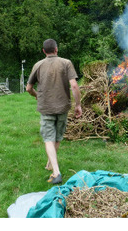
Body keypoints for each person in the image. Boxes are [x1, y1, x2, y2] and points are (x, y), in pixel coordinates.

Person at [26, 39, 82, 184]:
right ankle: (52, 165)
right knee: (57, 137)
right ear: (56, 49)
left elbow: (28, 88)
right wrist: (78, 105)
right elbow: (74, 86)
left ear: (44, 51)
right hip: (63, 107)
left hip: (46, 108)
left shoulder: (38, 65)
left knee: (49, 138)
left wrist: (37, 96)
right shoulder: (66, 63)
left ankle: (56, 172)